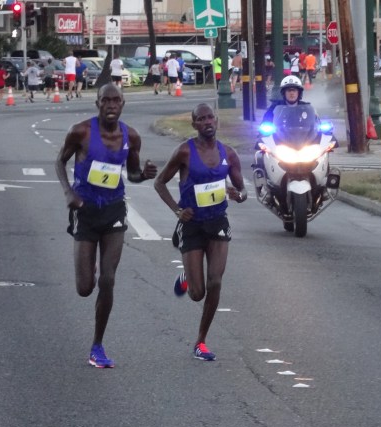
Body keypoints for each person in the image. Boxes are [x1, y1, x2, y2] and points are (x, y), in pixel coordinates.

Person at [54, 84, 158, 368]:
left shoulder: (131, 137)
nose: (111, 105)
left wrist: (144, 175)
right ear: (97, 103)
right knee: (85, 288)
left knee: (108, 279)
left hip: (113, 211)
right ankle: (89, 264)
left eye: (116, 101)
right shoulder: (81, 132)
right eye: (105, 101)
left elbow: (133, 174)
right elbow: (60, 162)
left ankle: (97, 345)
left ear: (123, 104)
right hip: (85, 211)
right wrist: (68, 192)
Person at [153, 103, 247, 362]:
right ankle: (187, 277)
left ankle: (201, 341)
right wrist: (176, 210)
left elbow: (243, 189)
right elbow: (159, 182)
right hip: (192, 225)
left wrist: (239, 195)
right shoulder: (184, 151)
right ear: (194, 124)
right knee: (198, 293)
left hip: (217, 222)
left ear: (216, 121)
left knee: (215, 282)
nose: (207, 122)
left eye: (210, 118)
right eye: (201, 119)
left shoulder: (229, 153)